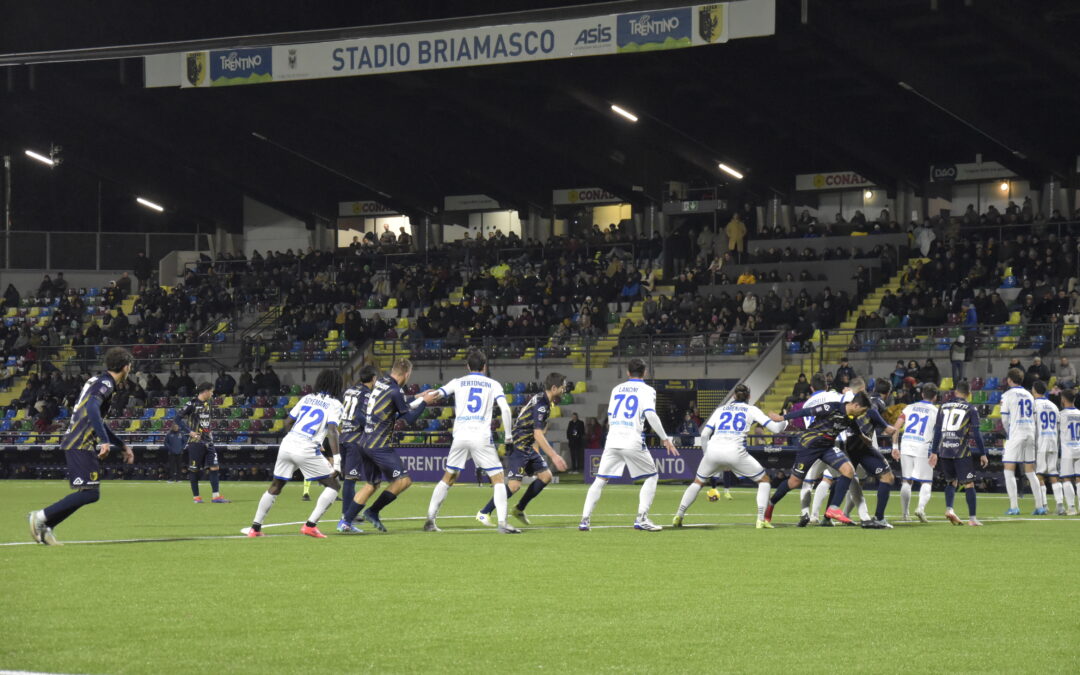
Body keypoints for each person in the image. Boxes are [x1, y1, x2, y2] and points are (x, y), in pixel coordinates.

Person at [27, 347, 135, 545]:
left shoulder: (99, 381)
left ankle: (46, 526)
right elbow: (91, 407)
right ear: (126, 367)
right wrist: (104, 441)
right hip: (81, 441)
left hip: (79, 440)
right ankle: (41, 517)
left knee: (88, 492)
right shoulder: (106, 383)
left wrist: (121, 445)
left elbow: (97, 419)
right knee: (90, 493)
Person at [425, 350, 518, 534]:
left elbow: (435, 395)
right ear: (485, 366)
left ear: (467, 367)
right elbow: (505, 410)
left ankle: (429, 520)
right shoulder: (493, 384)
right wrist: (508, 438)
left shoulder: (457, 382)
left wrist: (410, 403)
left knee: (448, 477)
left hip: (460, 436)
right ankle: (502, 523)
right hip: (480, 436)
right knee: (498, 478)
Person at [580, 359, 678, 531]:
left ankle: (584, 520)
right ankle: (642, 518)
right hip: (632, 439)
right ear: (645, 372)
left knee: (600, 480)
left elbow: (610, 416)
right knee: (652, 476)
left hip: (613, 439)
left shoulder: (616, 389)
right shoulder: (647, 390)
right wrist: (665, 438)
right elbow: (650, 414)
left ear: (627, 372)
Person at [246, 369, 345, 539]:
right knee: (334, 485)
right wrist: (337, 459)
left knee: (276, 485)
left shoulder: (307, 398)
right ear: (337, 385)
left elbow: (288, 421)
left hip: (288, 443)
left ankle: (255, 528)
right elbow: (332, 430)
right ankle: (310, 526)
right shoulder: (335, 404)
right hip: (306, 448)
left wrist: (294, 438)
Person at [340, 359, 436, 533]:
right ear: (407, 374)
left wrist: (417, 397)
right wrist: (425, 402)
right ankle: (373, 511)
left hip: (363, 442)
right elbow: (409, 419)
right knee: (404, 480)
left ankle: (345, 521)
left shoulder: (380, 383)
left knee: (371, 484)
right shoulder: (395, 390)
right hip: (380, 445)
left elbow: (393, 402)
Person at [672, 384, 787, 529]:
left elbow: (705, 434)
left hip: (713, 450)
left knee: (697, 482)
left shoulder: (721, 410)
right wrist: (786, 420)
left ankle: (679, 515)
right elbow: (776, 429)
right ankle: (760, 519)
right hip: (735, 451)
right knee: (764, 480)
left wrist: (706, 455)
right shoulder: (752, 409)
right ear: (749, 397)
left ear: (733, 396)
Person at [763, 392, 871, 526]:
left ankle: (834, 509)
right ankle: (771, 504)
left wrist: (862, 437)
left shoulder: (850, 416)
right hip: (810, 445)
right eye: (863, 410)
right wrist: (782, 417)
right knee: (794, 482)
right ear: (855, 405)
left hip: (827, 447)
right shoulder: (832, 407)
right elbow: (806, 412)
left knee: (848, 471)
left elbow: (853, 425)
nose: (863, 414)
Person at [476, 372, 569, 527]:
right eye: (563, 387)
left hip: (527, 446)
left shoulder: (543, 400)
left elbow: (533, 430)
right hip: (519, 446)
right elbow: (538, 433)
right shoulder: (541, 405)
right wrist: (554, 456)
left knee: (546, 476)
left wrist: (536, 449)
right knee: (514, 486)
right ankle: (484, 512)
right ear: (554, 388)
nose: (564, 390)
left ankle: (519, 509)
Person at [932, 381, 987, 526]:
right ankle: (973, 519)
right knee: (969, 484)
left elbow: (937, 431)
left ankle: (949, 509)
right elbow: (977, 433)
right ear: (969, 394)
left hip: (944, 450)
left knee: (951, 481)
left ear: (955, 392)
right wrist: (983, 453)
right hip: (961, 451)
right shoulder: (971, 408)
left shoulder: (943, 406)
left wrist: (933, 452)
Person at [335, 364, 376, 533]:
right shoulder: (366, 393)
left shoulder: (349, 391)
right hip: (354, 439)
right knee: (351, 479)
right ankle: (346, 517)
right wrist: (372, 428)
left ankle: (349, 513)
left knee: (350, 478)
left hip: (343, 436)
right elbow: (360, 415)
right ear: (373, 379)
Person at [892, 383, 941, 523]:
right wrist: (935, 451)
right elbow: (938, 433)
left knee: (906, 480)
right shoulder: (936, 412)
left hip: (906, 443)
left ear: (922, 394)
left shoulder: (909, 407)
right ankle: (920, 508)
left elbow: (896, 427)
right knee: (926, 482)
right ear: (935, 397)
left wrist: (895, 446)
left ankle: (905, 514)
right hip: (923, 446)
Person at [174, 382, 229, 504]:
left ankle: (216, 496)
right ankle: (196, 497)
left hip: (208, 442)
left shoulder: (208, 404)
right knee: (194, 470)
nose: (212, 393)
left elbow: (206, 422)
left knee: (215, 467)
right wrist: (190, 432)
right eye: (211, 391)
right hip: (196, 442)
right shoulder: (191, 404)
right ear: (205, 391)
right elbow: (177, 419)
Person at [1000, 368, 1044, 516]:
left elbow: (1005, 418)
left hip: (1016, 433)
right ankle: (1039, 506)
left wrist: (1008, 433)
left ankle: (1014, 507)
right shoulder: (1029, 395)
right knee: (1030, 471)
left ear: (1009, 380)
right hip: (1030, 433)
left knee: (1008, 469)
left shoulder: (1007, 395)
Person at [1032, 381, 1065, 515]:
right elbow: (1058, 427)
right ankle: (1060, 505)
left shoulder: (1034, 405)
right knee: (1053, 474)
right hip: (1053, 441)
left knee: (1039, 475)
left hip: (1040, 442)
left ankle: (1044, 505)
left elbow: (1032, 426)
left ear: (1034, 390)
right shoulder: (1054, 406)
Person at [1056, 389, 1080, 516]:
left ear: (1063, 399)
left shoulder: (1061, 415)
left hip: (1067, 450)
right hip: (1079, 448)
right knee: (1079, 479)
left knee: (1066, 478)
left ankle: (1071, 508)